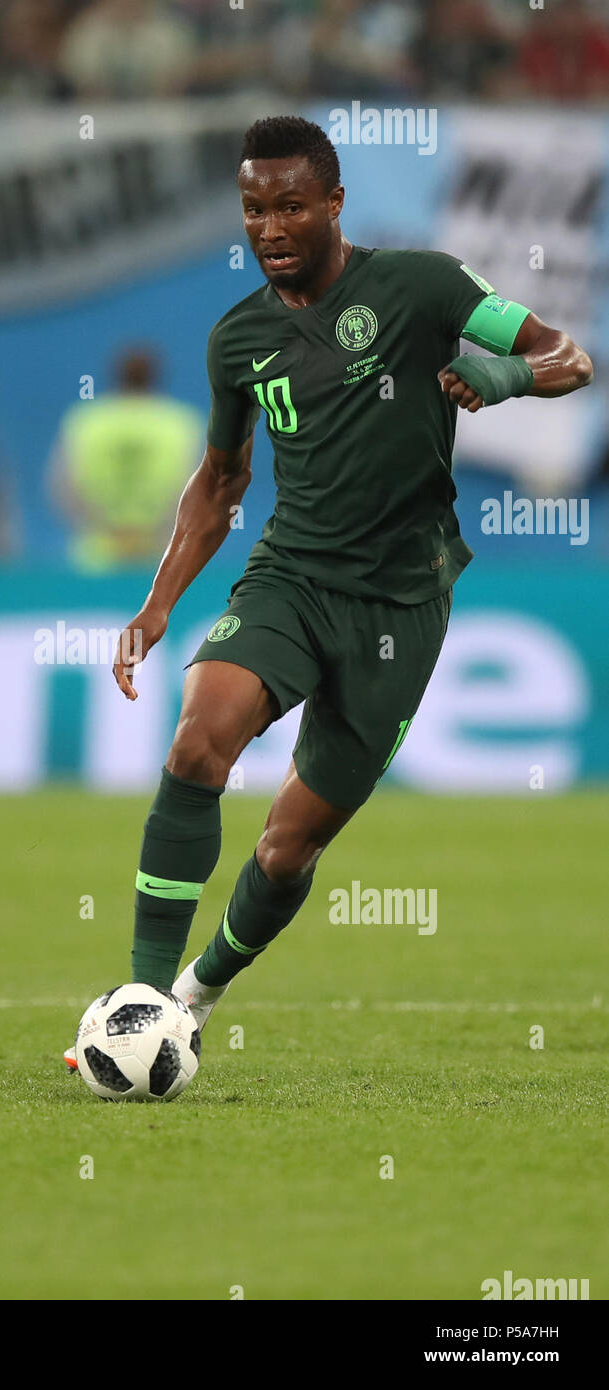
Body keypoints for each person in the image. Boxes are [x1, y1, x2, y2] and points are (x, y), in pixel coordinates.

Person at [66, 115, 591, 1067]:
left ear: (335, 205)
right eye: (253, 208)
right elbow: (221, 481)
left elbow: (571, 356)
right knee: (197, 743)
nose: (268, 226)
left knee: (286, 850)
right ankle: (140, 990)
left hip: (401, 604)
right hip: (292, 577)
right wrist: (157, 602)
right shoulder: (239, 339)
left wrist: (503, 373)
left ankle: (194, 995)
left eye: (290, 206)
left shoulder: (422, 284)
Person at [51, 348, 204, 573]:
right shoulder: (181, 423)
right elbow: (198, 490)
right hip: (164, 556)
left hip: (96, 558)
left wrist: (110, 532)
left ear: (116, 376)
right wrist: (149, 532)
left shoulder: (85, 421)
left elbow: (65, 489)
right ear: (155, 377)